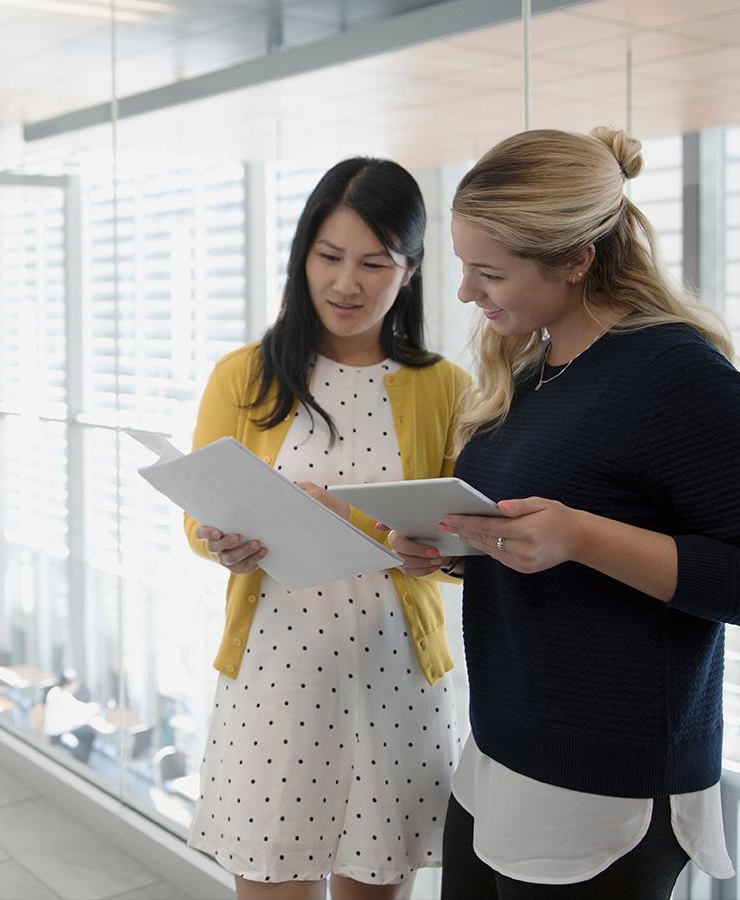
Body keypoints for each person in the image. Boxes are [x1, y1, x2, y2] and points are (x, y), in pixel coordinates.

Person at [383, 127, 740, 899]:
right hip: (501, 751)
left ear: (578, 260)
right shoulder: (534, 367)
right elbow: (542, 535)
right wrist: (454, 546)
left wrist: (581, 536)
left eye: (490, 272)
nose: (466, 293)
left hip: (604, 783)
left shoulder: (680, 379)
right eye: (464, 267)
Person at [183, 157, 472, 900]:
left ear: (408, 271)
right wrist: (222, 541)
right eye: (330, 257)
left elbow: (461, 546)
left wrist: (355, 519)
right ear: (302, 256)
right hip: (273, 679)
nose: (347, 283)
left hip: (394, 682)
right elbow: (200, 518)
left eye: (375, 263)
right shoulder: (244, 376)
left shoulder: (445, 388)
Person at [43, 670, 100, 765]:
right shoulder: (64, 698)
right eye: (75, 683)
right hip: (58, 735)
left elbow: (77, 707)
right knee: (89, 733)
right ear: (69, 684)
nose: (77, 685)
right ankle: (81, 762)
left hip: (54, 732)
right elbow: (77, 715)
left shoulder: (55, 692)